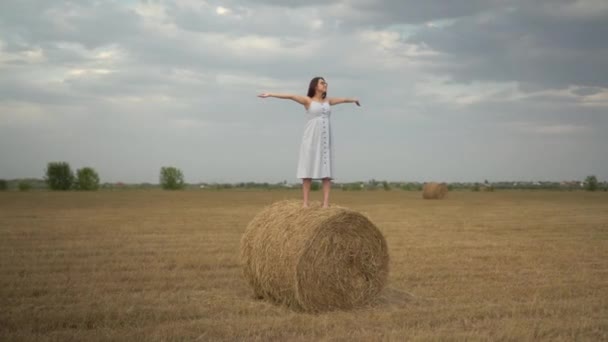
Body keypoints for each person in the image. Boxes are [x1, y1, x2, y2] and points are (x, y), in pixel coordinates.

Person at [258, 76, 360, 208]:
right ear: (315, 86)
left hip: (326, 139)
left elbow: (344, 100)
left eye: (326, 83)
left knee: (327, 172)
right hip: (311, 138)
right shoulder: (308, 100)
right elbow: (291, 96)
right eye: (322, 83)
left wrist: (354, 100)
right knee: (307, 170)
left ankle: (326, 204)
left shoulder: (328, 101)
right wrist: (271, 94)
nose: (325, 85)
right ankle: (305, 203)